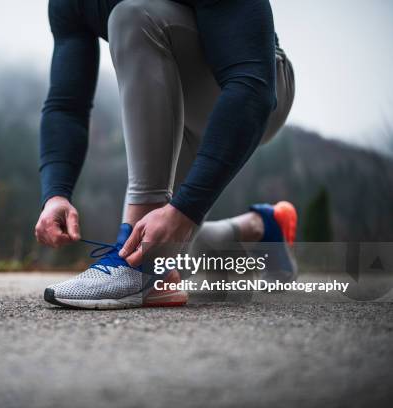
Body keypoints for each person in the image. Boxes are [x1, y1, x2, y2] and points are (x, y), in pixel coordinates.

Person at [35, 0, 297, 309]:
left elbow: (253, 85)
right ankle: (261, 227)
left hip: (256, 87)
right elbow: (67, 105)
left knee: (131, 14)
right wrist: (56, 194)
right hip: (173, 103)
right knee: (167, 252)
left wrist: (186, 210)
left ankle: (141, 271)